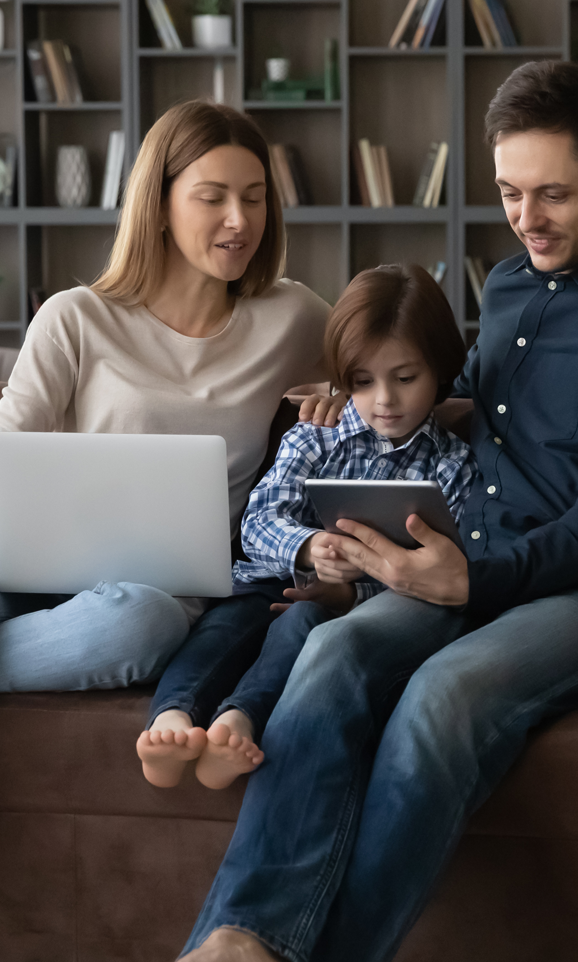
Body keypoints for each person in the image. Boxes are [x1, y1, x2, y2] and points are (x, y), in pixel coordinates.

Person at [178, 60, 578, 962]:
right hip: (468, 555)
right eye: (511, 192)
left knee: (444, 699)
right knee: (334, 651)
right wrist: (363, 397)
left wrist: (478, 577)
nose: (527, 218)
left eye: (552, 193)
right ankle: (244, 939)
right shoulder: (513, 284)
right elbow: (476, 400)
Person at [0, 100, 329, 692]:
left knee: (140, 625)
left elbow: (396, 369)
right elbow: (7, 452)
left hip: (154, 597)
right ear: (157, 207)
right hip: (39, 572)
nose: (239, 220)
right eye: (213, 198)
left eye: (254, 198)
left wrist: (344, 392)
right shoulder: (74, 318)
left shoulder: (292, 316)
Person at [137, 264, 476, 790]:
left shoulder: (452, 465)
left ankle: (236, 722)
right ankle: (172, 721)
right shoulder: (315, 437)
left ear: (439, 369)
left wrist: (350, 591)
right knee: (222, 628)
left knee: (297, 631)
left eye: (405, 378)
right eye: (363, 381)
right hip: (266, 579)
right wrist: (309, 546)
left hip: (338, 609)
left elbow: (440, 573)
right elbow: (258, 521)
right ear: (344, 378)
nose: (384, 399)